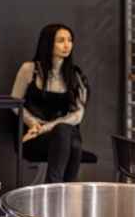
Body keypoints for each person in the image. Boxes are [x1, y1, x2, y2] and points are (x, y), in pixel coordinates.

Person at [11, 23, 89, 183]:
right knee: (73, 142)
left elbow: (78, 115)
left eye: (70, 40)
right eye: (61, 40)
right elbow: (14, 103)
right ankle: (62, 189)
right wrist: (33, 123)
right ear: (48, 43)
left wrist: (46, 127)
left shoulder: (75, 74)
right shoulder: (29, 69)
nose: (67, 45)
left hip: (56, 134)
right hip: (33, 137)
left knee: (65, 132)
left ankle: (54, 186)